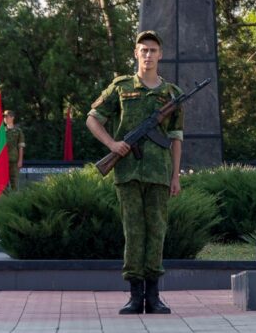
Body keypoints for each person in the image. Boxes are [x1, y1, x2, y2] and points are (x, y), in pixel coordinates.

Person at [86, 30, 183, 315]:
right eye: (144, 50)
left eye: (153, 50)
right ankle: (134, 295)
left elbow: (176, 138)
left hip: (159, 172)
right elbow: (92, 119)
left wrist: (175, 175)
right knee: (133, 232)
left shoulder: (172, 94)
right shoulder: (120, 86)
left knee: (157, 232)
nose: (148, 55)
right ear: (136, 53)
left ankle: (153, 296)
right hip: (127, 171)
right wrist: (113, 145)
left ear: (161, 54)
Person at [4, 110, 25, 191]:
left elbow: (21, 147)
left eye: (7, 116)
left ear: (12, 118)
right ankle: (5, 203)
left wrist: (20, 161)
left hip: (14, 161)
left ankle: (14, 202)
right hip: (3, 161)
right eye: (4, 117)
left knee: (14, 184)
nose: (5, 118)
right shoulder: (1, 131)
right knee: (3, 186)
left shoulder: (18, 131)